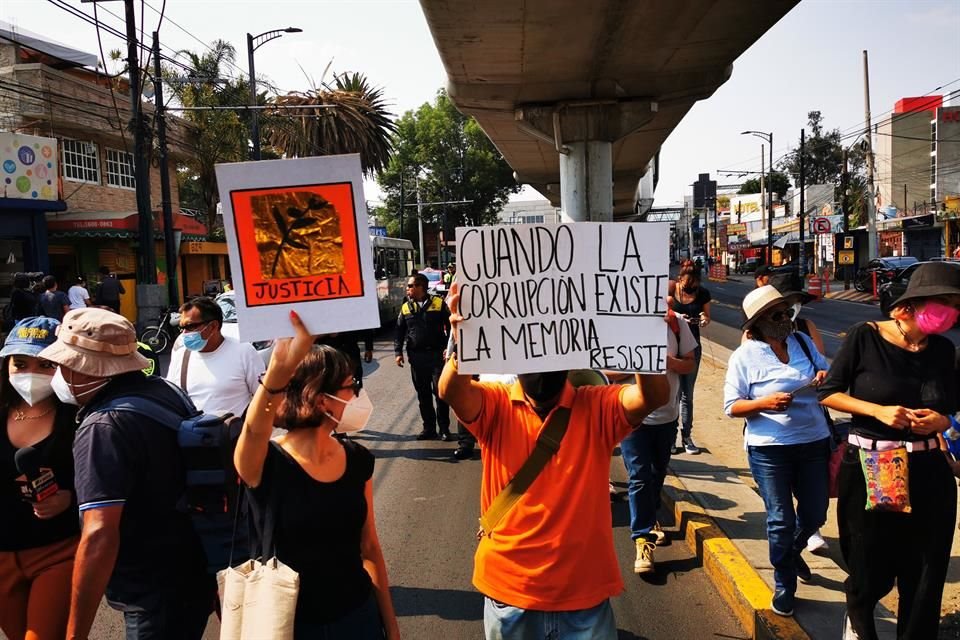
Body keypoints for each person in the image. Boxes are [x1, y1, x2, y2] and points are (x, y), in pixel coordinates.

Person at [438, 282, 669, 640]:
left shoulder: (597, 405)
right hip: (510, 592)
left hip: (584, 596)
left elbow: (652, 396)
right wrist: (465, 340)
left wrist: (644, 339)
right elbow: (451, 391)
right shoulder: (497, 404)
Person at [39, 308, 214, 640]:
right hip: (193, 571)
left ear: (85, 369)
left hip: (151, 591)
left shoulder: (104, 426)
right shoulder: (164, 390)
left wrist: (75, 633)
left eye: (64, 365)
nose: (59, 374)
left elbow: (99, 535)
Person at [234, 312, 401, 639]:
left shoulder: (357, 459)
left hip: (358, 619)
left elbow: (369, 547)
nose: (355, 395)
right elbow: (254, 429)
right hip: (288, 625)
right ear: (323, 399)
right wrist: (280, 371)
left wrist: (390, 627)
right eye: (350, 386)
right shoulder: (264, 462)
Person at [819, 262, 960, 639]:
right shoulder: (865, 338)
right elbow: (828, 392)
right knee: (870, 568)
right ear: (911, 305)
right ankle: (860, 620)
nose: (950, 311)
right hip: (872, 467)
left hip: (930, 469)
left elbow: (952, 407)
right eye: (943, 302)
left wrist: (941, 422)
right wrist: (877, 410)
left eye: (954, 303)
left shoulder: (944, 350)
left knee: (926, 572)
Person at [724, 285, 831, 617]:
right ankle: (785, 583)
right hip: (770, 451)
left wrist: (824, 376)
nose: (787, 319)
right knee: (781, 520)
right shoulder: (744, 356)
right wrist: (763, 403)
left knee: (815, 513)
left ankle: (790, 551)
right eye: (778, 315)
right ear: (758, 323)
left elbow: (828, 377)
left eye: (787, 312)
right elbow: (732, 406)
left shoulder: (801, 342)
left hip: (814, 441)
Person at [0, 317, 78, 640]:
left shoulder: (80, 418)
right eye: (20, 363)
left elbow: (103, 485)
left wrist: (69, 498)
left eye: (45, 364)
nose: (30, 374)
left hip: (58, 551)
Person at [619, 308, 697, 574]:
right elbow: (605, 372)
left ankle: (650, 519)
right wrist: (642, 362)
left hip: (667, 416)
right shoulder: (618, 322)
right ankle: (642, 538)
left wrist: (669, 362)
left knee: (657, 472)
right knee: (639, 476)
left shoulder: (675, 322)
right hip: (633, 417)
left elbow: (690, 363)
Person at [166, 296, 264, 419]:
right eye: (182, 327)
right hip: (193, 435)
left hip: (235, 436)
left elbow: (264, 398)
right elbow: (172, 399)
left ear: (213, 326)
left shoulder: (243, 352)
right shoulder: (181, 356)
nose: (184, 333)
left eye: (190, 326)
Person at [395, 273, 452, 441]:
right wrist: (398, 352)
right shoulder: (406, 307)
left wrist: (450, 349)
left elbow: (451, 328)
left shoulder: (438, 303)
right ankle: (429, 428)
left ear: (420, 287)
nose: (408, 289)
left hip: (437, 356)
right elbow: (399, 331)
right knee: (423, 394)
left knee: (440, 393)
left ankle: (444, 429)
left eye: (411, 286)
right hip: (417, 357)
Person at [670, 263, 711, 454]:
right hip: (672, 345)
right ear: (680, 279)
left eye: (694, 285)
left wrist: (703, 318)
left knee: (687, 394)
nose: (690, 287)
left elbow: (707, 317)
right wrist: (678, 316)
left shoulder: (702, 293)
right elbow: (663, 311)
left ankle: (686, 436)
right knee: (672, 392)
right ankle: (670, 437)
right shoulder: (671, 288)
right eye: (687, 283)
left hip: (692, 347)